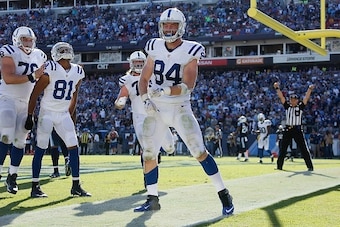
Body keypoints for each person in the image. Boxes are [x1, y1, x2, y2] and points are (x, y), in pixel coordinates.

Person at [135, 8, 234, 216]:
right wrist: (145, 99)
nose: (168, 29)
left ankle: (224, 194)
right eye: (165, 25)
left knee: (198, 151)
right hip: (157, 108)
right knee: (149, 153)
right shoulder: (153, 46)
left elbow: (189, 84)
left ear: (181, 27)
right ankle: (152, 198)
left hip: (179, 107)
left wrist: (165, 90)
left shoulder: (191, 50)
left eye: (173, 25)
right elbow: (143, 79)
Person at [25, 42, 91, 197]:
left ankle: (75, 185)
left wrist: (30, 114)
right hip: (48, 113)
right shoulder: (74, 70)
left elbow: (73, 96)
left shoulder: (73, 70)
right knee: (42, 148)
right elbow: (35, 94)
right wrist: (29, 115)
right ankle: (35, 186)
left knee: (72, 147)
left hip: (60, 114)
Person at [114, 50, 175, 186]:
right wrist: (121, 101)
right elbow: (122, 94)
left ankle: (158, 152)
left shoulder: (154, 76)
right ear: (131, 64)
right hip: (140, 116)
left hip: (158, 115)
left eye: (142, 62)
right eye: (137, 62)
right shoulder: (127, 79)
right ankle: (148, 180)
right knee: (147, 149)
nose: (139, 65)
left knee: (170, 147)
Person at [0, 26, 46, 194]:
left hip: (25, 103)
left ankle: (12, 176)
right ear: (17, 39)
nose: (28, 42)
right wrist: (32, 76)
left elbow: (43, 80)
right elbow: (8, 77)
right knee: (6, 133)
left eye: (30, 39)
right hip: (7, 99)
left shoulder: (39, 55)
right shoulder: (8, 51)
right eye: (25, 39)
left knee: (20, 140)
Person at [273, 82, 314, 171]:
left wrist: (309, 90)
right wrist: (277, 88)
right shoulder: (287, 107)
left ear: (297, 101)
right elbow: (281, 97)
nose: (293, 101)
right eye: (291, 99)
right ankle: (279, 166)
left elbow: (306, 98)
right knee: (283, 148)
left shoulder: (300, 107)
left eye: (294, 99)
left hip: (297, 129)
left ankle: (310, 166)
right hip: (288, 129)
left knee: (303, 148)